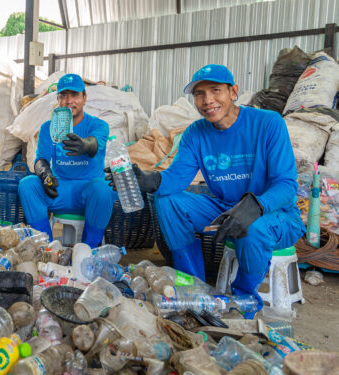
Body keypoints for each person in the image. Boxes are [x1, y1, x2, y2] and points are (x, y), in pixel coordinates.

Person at [113, 64, 304, 308]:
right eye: (200, 94)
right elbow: (177, 179)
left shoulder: (268, 123)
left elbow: (286, 185)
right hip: (224, 206)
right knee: (168, 201)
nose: (208, 100)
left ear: (233, 92)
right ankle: (195, 288)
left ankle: (244, 297)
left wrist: (255, 206)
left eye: (215, 91)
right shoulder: (195, 133)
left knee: (252, 227)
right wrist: (151, 180)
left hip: (277, 214)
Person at [18, 73, 117, 247]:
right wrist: (44, 174)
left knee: (104, 188)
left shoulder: (98, 125)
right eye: (63, 96)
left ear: (84, 98)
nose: (69, 100)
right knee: (27, 184)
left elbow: (96, 143)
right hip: (58, 191)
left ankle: (89, 249)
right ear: (57, 99)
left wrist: (86, 145)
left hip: (88, 192)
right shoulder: (48, 127)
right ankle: (46, 247)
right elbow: (40, 160)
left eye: (74, 95)